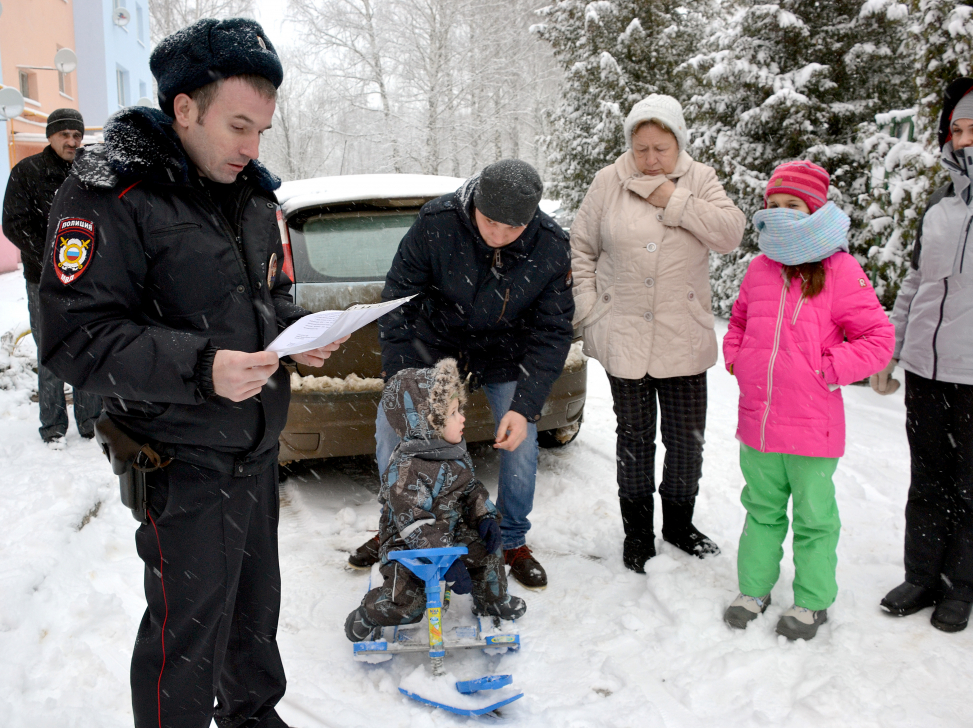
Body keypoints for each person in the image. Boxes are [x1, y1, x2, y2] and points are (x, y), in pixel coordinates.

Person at [38, 19, 347, 727]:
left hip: (256, 449)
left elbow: (256, 297)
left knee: (252, 616)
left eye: (263, 130)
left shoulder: (252, 194)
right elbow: (74, 337)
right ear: (184, 108)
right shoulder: (109, 195)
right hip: (180, 461)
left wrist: (293, 333)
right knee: (185, 641)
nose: (252, 147)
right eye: (239, 125)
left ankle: (252, 716)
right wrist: (203, 367)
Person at [348, 159, 574, 590]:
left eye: (513, 229)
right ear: (476, 205)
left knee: (521, 443)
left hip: (508, 350)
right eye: (491, 223)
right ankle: (399, 526)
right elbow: (399, 303)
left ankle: (510, 540)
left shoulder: (550, 244)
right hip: (435, 344)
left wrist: (524, 408)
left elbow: (552, 331)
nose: (499, 235)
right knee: (392, 432)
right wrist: (403, 383)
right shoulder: (437, 222)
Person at [873, 79, 973, 633]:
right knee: (928, 477)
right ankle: (923, 576)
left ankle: (964, 587)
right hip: (928, 370)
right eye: (957, 130)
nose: (965, 141)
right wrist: (890, 350)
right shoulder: (939, 205)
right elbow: (915, 283)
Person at [569, 94, 744, 573]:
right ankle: (639, 533)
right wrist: (590, 306)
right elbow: (581, 248)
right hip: (623, 333)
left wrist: (675, 199)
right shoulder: (609, 180)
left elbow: (731, 234)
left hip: (681, 335)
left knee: (687, 441)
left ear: (678, 143)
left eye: (660, 148)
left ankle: (680, 525)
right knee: (635, 439)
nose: (649, 159)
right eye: (641, 148)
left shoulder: (700, 179)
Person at [721, 161, 894, 640]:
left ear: (815, 210)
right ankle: (754, 590)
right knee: (761, 510)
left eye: (792, 206)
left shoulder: (840, 270)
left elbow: (877, 338)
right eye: (772, 206)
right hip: (758, 424)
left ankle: (812, 602)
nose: (779, 215)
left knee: (815, 520)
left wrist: (828, 369)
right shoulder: (760, 268)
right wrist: (737, 357)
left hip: (813, 428)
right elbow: (737, 321)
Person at [346, 358, 526, 641]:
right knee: (409, 606)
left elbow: (470, 489)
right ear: (428, 422)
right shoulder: (405, 470)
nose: (462, 418)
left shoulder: (454, 452)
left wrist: (485, 516)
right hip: (410, 550)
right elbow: (415, 523)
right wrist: (444, 561)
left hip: (451, 536)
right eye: (453, 413)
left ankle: (491, 597)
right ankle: (370, 612)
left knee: (488, 550)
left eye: (459, 410)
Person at [2, 108, 102, 444]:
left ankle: (90, 420)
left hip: (88, 277)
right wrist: (49, 256)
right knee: (49, 347)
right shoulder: (27, 172)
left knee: (87, 345)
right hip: (43, 277)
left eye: (77, 135)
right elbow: (13, 223)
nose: (73, 141)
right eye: (65, 135)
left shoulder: (90, 171)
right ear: (50, 136)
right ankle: (53, 423)